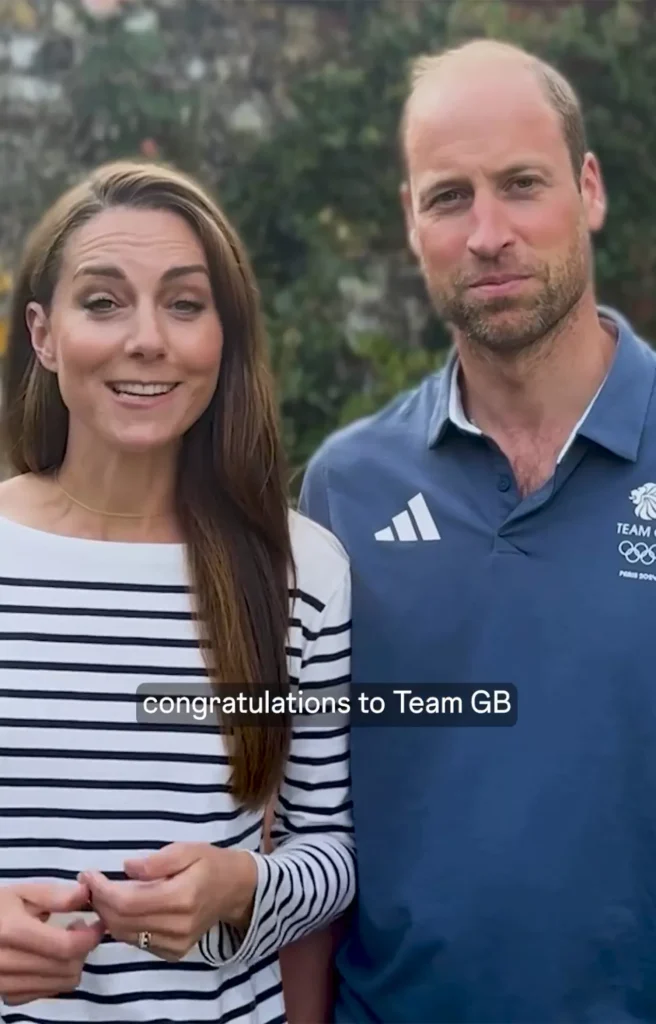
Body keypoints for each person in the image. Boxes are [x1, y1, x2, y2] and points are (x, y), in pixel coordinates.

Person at [299, 37, 656, 1023]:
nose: (486, 231)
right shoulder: (345, 489)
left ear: (587, 189)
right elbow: (305, 820)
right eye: (448, 196)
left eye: (520, 184)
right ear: (410, 221)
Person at [0, 159, 355, 1024]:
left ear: (222, 339)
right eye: (103, 301)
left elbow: (333, 853)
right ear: (44, 336)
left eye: (185, 304)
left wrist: (242, 888)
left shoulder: (301, 572)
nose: (148, 339)